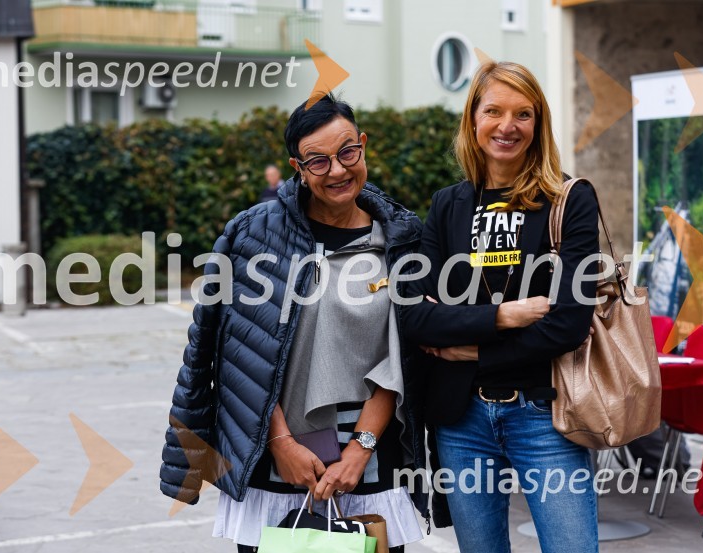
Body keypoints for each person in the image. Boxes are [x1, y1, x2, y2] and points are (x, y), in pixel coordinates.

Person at [160, 94, 428, 553]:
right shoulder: (255, 235)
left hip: (369, 447)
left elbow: (403, 354)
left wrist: (360, 449)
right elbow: (235, 351)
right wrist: (280, 442)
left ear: (363, 145)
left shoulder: (402, 240)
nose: (338, 170)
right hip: (277, 448)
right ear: (297, 167)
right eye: (317, 161)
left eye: (347, 152)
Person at [401, 60, 600, 553]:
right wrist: (503, 316)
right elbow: (413, 315)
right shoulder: (448, 205)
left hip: (543, 414)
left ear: (539, 124)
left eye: (523, 114)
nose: (507, 127)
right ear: (473, 118)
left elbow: (569, 324)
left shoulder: (568, 201)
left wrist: (471, 351)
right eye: (494, 111)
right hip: (462, 421)